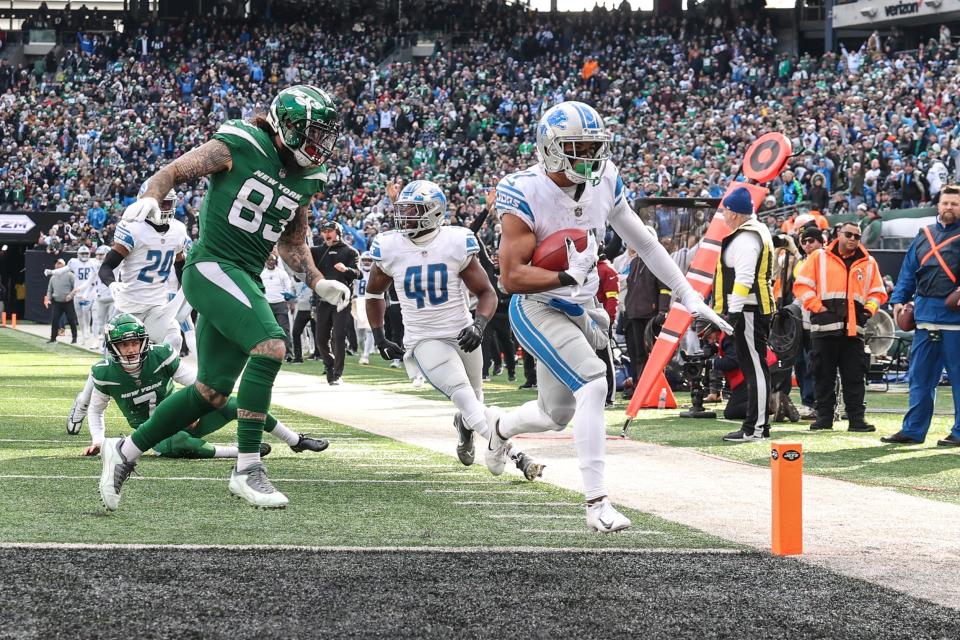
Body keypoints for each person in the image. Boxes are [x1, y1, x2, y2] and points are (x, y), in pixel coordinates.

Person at [99, 85, 351, 511]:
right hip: (211, 265)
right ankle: (247, 468)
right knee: (271, 346)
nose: (319, 144)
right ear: (285, 127)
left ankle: (124, 451)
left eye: (325, 135)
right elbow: (174, 172)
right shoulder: (239, 143)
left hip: (245, 277)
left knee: (210, 393)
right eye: (312, 133)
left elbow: (293, 241)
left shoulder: (308, 177)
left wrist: (316, 280)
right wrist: (148, 197)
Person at [492, 101, 731, 532]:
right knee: (593, 382)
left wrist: (685, 293)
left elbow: (646, 241)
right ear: (550, 149)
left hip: (582, 307)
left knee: (555, 414)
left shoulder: (604, 180)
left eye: (592, 146)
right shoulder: (524, 190)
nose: (588, 156)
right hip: (537, 306)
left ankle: (498, 428)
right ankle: (597, 503)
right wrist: (566, 274)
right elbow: (511, 277)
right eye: (576, 147)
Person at [365, 180, 544, 481]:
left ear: (434, 213)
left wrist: (479, 324)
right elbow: (373, 294)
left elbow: (487, 292)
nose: (405, 217)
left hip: (462, 333)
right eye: (404, 210)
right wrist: (379, 335)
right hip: (424, 339)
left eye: (414, 211)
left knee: (474, 401)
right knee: (465, 398)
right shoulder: (390, 246)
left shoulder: (454, 241)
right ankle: (518, 456)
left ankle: (464, 427)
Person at [83, 314, 328, 459]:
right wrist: (97, 439)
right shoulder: (105, 373)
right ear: (113, 347)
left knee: (236, 403)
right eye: (124, 345)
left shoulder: (161, 355)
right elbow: (95, 410)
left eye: (135, 342)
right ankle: (236, 451)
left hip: (182, 416)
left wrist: (202, 403)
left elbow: (192, 380)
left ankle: (295, 440)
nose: (131, 349)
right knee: (180, 443)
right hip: (150, 434)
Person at [63, 190, 189, 436]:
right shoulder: (133, 229)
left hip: (156, 306)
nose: (165, 207)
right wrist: (113, 285)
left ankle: (162, 399)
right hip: (128, 309)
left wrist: (189, 288)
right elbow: (107, 266)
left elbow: (180, 264)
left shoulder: (178, 230)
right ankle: (82, 403)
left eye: (169, 202)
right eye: (161, 201)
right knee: (110, 365)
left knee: (174, 339)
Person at [882, 184, 960, 445]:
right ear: (938, 205)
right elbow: (907, 272)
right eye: (945, 203)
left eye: (954, 204)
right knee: (920, 378)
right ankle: (913, 430)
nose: (949, 207)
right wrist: (898, 300)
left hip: (955, 322)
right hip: (925, 318)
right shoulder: (924, 234)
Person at [794, 221, 887, 432]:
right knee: (822, 375)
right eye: (849, 234)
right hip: (824, 329)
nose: (853, 239)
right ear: (839, 234)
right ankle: (824, 418)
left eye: (857, 236)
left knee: (854, 377)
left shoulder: (869, 263)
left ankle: (856, 420)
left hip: (854, 331)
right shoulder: (819, 257)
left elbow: (877, 292)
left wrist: (867, 312)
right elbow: (802, 286)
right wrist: (819, 309)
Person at [713, 187, 776, 443]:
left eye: (725, 211)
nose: (723, 216)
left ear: (734, 213)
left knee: (755, 369)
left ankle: (755, 428)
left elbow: (745, 278)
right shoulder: (752, 233)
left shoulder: (747, 237)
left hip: (750, 310)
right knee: (754, 368)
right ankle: (756, 425)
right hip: (751, 309)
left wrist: (734, 312)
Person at [311, 220, 360, 384]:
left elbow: (358, 273)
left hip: (341, 301)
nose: (326, 234)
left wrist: (346, 270)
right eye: (324, 231)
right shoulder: (317, 251)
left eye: (330, 230)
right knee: (320, 338)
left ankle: (337, 373)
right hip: (323, 300)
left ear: (337, 232)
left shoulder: (350, 251)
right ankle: (329, 364)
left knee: (339, 337)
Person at [261, 253, 295, 361]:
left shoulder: (282, 273)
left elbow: (288, 289)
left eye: (273, 260)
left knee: (284, 329)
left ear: (276, 261)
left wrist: (290, 302)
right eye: (269, 260)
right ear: (266, 261)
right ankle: (270, 353)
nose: (271, 262)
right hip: (267, 304)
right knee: (268, 331)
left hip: (280, 304)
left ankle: (289, 353)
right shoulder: (262, 274)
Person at [44, 258, 78, 343]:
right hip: (57, 302)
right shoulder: (53, 277)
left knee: (71, 320)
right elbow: (49, 290)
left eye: (59, 263)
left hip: (68, 302)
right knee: (55, 320)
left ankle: (74, 338)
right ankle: (53, 338)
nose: (57, 265)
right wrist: (48, 298)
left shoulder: (70, 275)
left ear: (64, 265)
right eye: (56, 263)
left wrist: (71, 295)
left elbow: (76, 287)